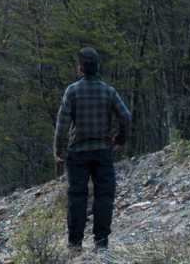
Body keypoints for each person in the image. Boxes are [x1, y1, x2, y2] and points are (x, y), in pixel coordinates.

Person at [53, 47, 133, 252]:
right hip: (103, 151)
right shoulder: (109, 91)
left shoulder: (72, 91)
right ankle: (101, 243)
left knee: (77, 197)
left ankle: (75, 245)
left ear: (80, 68)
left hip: (77, 152)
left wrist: (59, 150)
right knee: (104, 196)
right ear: (97, 67)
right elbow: (126, 116)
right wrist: (120, 138)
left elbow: (62, 124)